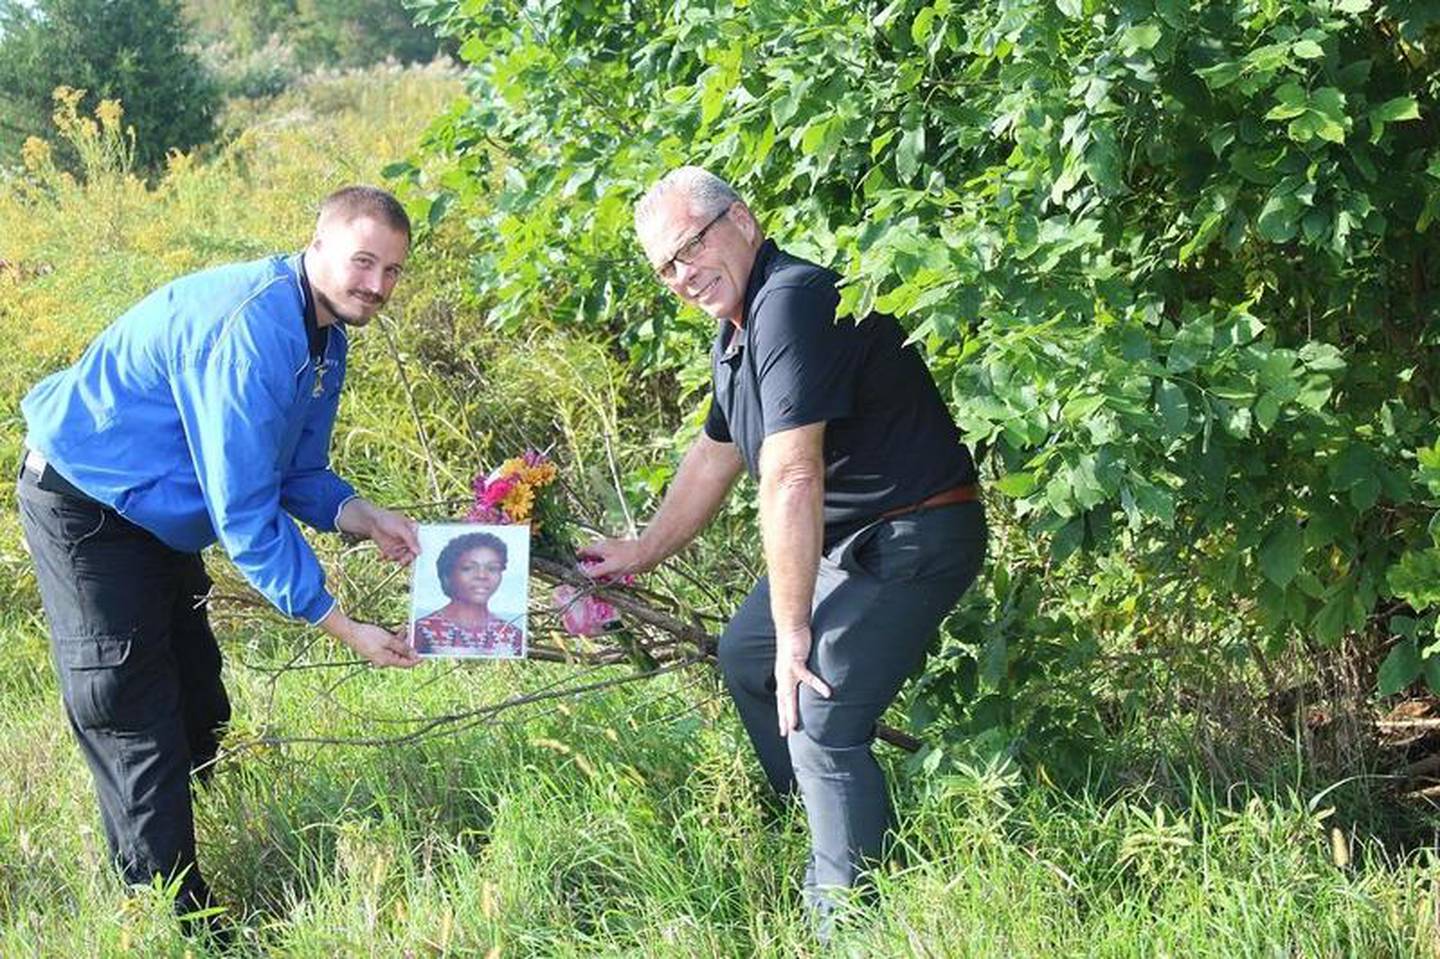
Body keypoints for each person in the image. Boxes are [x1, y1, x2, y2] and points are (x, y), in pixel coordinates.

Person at [581, 166, 987, 932]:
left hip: (913, 532)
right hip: (851, 542)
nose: (682, 276)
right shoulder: (738, 332)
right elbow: (715, 454)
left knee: (819, 714)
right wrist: (641, 550)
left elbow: (792, 474)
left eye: (690, 248)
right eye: (665, 267)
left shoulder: (792, 300)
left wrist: (796, 629)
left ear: (742, 218)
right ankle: (827, 829)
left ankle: (850, 924)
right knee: (745, 654)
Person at [16, 185, 423, 927]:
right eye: (364, 261)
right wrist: (345, 625)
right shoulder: (253, 329)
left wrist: (365, 516)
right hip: (89, 499)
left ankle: (180, 832)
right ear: (319, 245)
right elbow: (245, 513)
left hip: (161, 511)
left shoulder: (325, 335)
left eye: (392, 270)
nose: (377, 284)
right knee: (131, 707)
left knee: (199, 695)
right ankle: (176, 917)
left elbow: (296, 470)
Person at [411, 531, 524, 657]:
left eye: (492, 568)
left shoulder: (513, 635)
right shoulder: (423, 630)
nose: (482, 576)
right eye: (468, 568)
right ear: (448, 575)